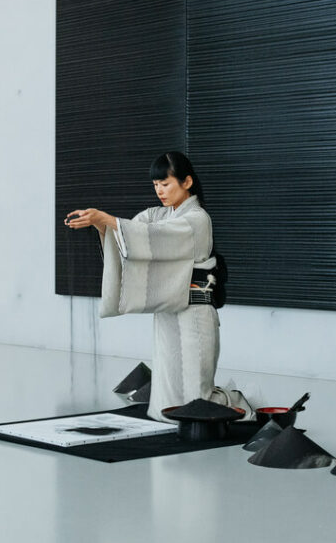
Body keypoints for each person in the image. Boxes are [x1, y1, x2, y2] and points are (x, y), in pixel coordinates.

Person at [65, 151, 248, 422]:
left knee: (195, 387)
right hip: (168, 308)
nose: (160, 191)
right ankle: (172, 417)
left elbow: (154, 236)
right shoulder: (156, 214)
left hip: (195, 310)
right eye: (155, 185)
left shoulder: (197, 218)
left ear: (187, 182)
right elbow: (129, 235)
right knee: (168, 382)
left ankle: (236, 408)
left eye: (165, 183)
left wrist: (108, 220)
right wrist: (101, 224)